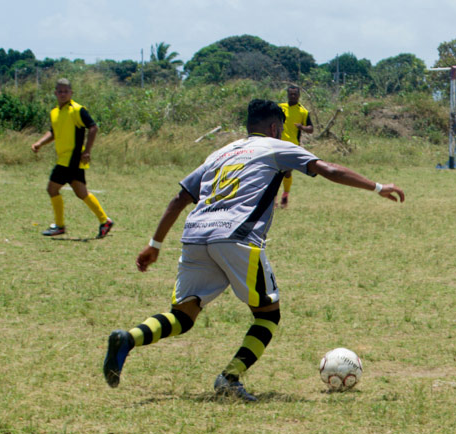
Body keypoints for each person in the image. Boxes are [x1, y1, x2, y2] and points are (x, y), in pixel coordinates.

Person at [102, 99, 405, 401]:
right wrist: (378, 187)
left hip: (195, 235)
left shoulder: (219, 153)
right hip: (236, 236)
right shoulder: (276, 147)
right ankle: (230, 378)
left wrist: (155, 245)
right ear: (275, 127)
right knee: (267, 316)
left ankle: (128, 338)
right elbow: (328, 169)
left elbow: (180, 198)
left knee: (183, 315)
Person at [31, 78, 113, 238]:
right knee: (81, 192)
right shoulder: (55, 112)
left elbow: (93, 127)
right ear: (55, 93)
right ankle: (105, 221)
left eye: (66, 91)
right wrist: (39, 143)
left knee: (52, 189)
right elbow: (53, 132)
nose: (62, 94)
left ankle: (60, 226)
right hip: (64, 159)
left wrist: (87, 151)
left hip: (72, 159)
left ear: (71, 93)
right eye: (60, 91)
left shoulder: (77, 110)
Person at [277, 85, 314, 208]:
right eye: (290, 94)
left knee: (287, 172)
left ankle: (285, 195)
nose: (293, 96)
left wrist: (302, 127)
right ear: (287, 95)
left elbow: (311, 129)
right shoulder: (280, 107)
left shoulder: (303, 111)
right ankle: (273, 199)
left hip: (292, 146)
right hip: (277, 144)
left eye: (295, 94)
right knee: (275, 173)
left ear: (299, 96)